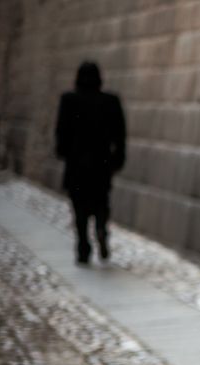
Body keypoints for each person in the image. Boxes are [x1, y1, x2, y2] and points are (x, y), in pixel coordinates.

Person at [55, 61, 126, 264]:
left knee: (79, 206)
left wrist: (62, 152)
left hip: (76, 163)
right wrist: (118, 158)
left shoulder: (69, 100)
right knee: (101, 200)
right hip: (101, 163)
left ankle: (83, 244)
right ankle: (101, 229)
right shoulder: (110, 101)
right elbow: (120, 134)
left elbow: (61, 131)